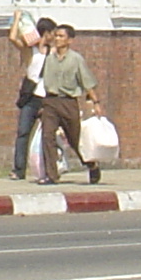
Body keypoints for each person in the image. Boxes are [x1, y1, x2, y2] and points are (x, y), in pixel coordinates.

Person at [36, 21, 104, 185]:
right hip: (51, 102)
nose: (57, 39)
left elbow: (87, 82)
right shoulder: (49, 58)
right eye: (56, 36)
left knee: (75, 140)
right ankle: (51, 175)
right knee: (47, 137)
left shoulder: (76, 59)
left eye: (61, 36)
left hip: (68, 103)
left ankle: (91, 164)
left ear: (70, 40)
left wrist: (96, 102)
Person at [8, 13, 57, 180]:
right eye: (53, 33)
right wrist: (17, 19)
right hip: (31, 98)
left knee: (48, 135)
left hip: (48, 98)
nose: (54, 37)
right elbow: (13, 38)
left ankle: (47, 169)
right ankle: (18, 169)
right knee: (23, 133)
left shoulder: (53, 53)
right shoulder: (31, 51)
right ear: (46, 33)